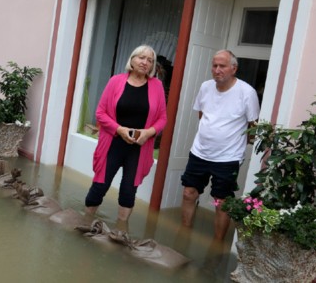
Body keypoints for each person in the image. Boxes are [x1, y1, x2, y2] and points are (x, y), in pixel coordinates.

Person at [84, 45, 168, 230]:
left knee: (128, 192)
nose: (145, 62)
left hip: (139, 148)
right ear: (132, 59)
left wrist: (148, 133)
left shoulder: (157, 86)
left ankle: (120, 231)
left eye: (150, 60)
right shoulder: (116, 81)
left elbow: (163, 118)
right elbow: (100, 113)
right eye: (141, 57)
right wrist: (119, 129)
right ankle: (85, 223)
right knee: (99, 187)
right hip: (113, 143)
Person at [180, 49, 260, 241]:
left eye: (222, 66)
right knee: (189, 193)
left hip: (228, 157)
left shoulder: (246, 92)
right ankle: (184, 235)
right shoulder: (205, 87)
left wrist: (231, 141)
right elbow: (202, 116)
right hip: (199, 152)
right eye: (214, 65)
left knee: (222, 202)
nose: (217, 70)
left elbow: (253, 126)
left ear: (234, 68)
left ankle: (217, 244)